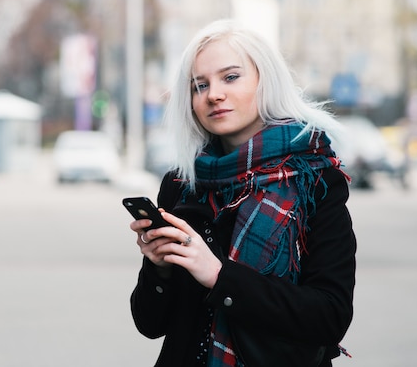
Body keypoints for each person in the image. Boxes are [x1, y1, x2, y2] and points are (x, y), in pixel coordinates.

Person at [129, 19, 356, 367]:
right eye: (199, 85)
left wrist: (220, 277)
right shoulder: (181, 183)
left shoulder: (315, 178)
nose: (213, 94)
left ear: (265, 80)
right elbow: (150, 324)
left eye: (230, 77)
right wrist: (158, 267)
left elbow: (330, 316)